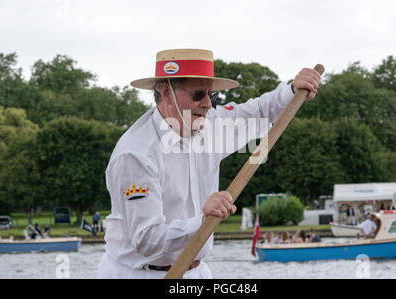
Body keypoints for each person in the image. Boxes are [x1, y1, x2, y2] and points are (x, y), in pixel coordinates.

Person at [97, 48, 321, 279]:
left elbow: (258, 111)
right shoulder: (135, 155)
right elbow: (147, 240)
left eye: (211, 96)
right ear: (166, 92)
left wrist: (293, 90)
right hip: (139, 274)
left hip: (197, 272)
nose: (207, 104)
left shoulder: (210, 124)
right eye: (198, 95)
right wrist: (202, 222)